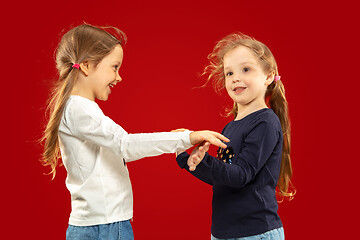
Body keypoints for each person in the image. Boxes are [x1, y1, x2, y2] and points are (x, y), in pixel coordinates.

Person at [40, 23, 229, 240]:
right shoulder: (79, 109)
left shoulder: (79, 108)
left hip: (103, 224)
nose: (119, 77)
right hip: (104, 227)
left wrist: (178, 138)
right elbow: (125, 145)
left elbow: (120, 145)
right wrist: (185, 137)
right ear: (86, 65)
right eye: (114, 67)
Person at [176, 32, 296, 240]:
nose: (236, 78)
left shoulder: (265, 122)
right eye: (229, 73)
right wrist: (184, 156)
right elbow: (221, 178)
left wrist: (204, 160)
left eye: (246, 69)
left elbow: (240, 175)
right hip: (224, 233)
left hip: (255, 233)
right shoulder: (229, 128)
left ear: (268, 76)